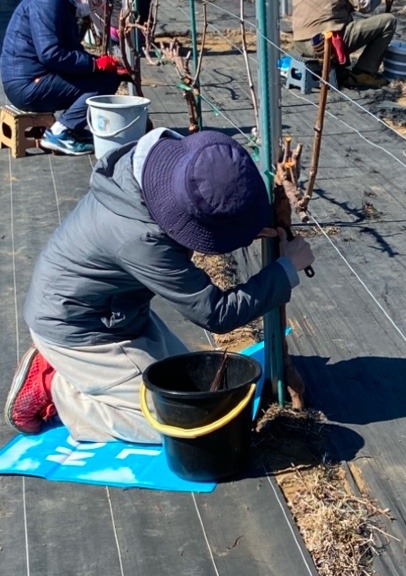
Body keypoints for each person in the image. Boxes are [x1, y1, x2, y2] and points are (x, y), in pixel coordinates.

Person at [4, 129, 315, 443]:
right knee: (181, 424)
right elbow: (216, 314)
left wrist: (241, 224)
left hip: (115, 312)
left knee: (203, 390)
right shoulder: (138, 239)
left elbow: (193, 208)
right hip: (80, 330)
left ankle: (86, 375)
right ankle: (58, 387)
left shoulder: (156, 164)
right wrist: (286, 269)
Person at [0, 0, 123, 156]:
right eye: (92, 3)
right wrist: (94, 65)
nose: (90, 9)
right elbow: (51, 54)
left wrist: (94, 62)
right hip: (27, 84)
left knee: (106, 76)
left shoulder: (61, 2)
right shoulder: (47, 2)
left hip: (33, 76)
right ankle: (60, 132)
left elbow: (69, 51)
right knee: (104, 81)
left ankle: (69, 128)